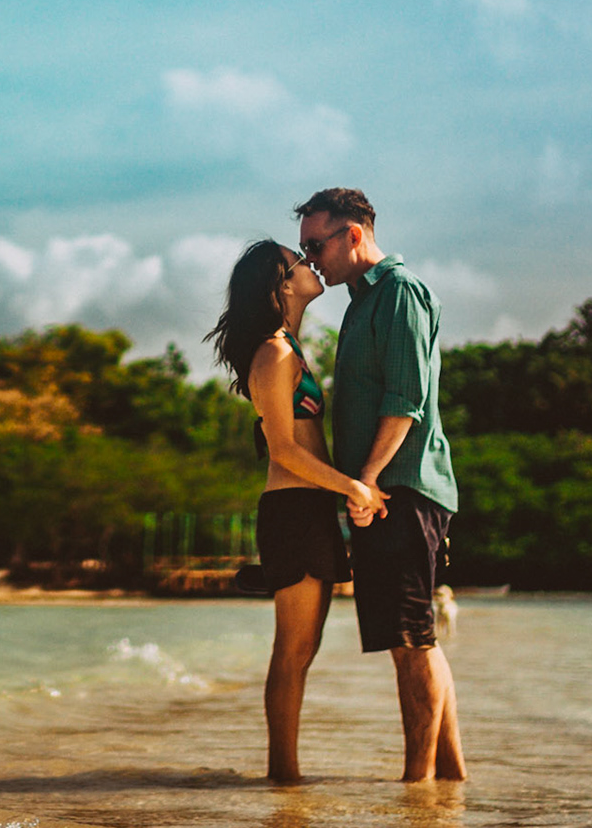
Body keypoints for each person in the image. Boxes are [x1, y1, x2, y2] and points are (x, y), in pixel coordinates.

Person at [295, 187, 466, 784]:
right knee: (414, 635)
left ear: (354, 235)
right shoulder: (361, 302)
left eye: (315, 245)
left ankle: (415, 790)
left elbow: (406, 399)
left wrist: (364, 482)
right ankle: (448, 781)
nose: (310, 258)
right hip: (389, 490)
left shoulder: (398, 292)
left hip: (400, 490)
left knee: (409, 639)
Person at [205, 239, 391, 784]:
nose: (312, 265)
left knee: (303, 650)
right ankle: (282, 776)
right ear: (281, 285)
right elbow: (284, 449)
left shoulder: (288, 345)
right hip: (293, 508)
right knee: (291, 651)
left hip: (308, 507)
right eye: (300, 262)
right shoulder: (274, 352)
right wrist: (354, 488)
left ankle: (284, 775)